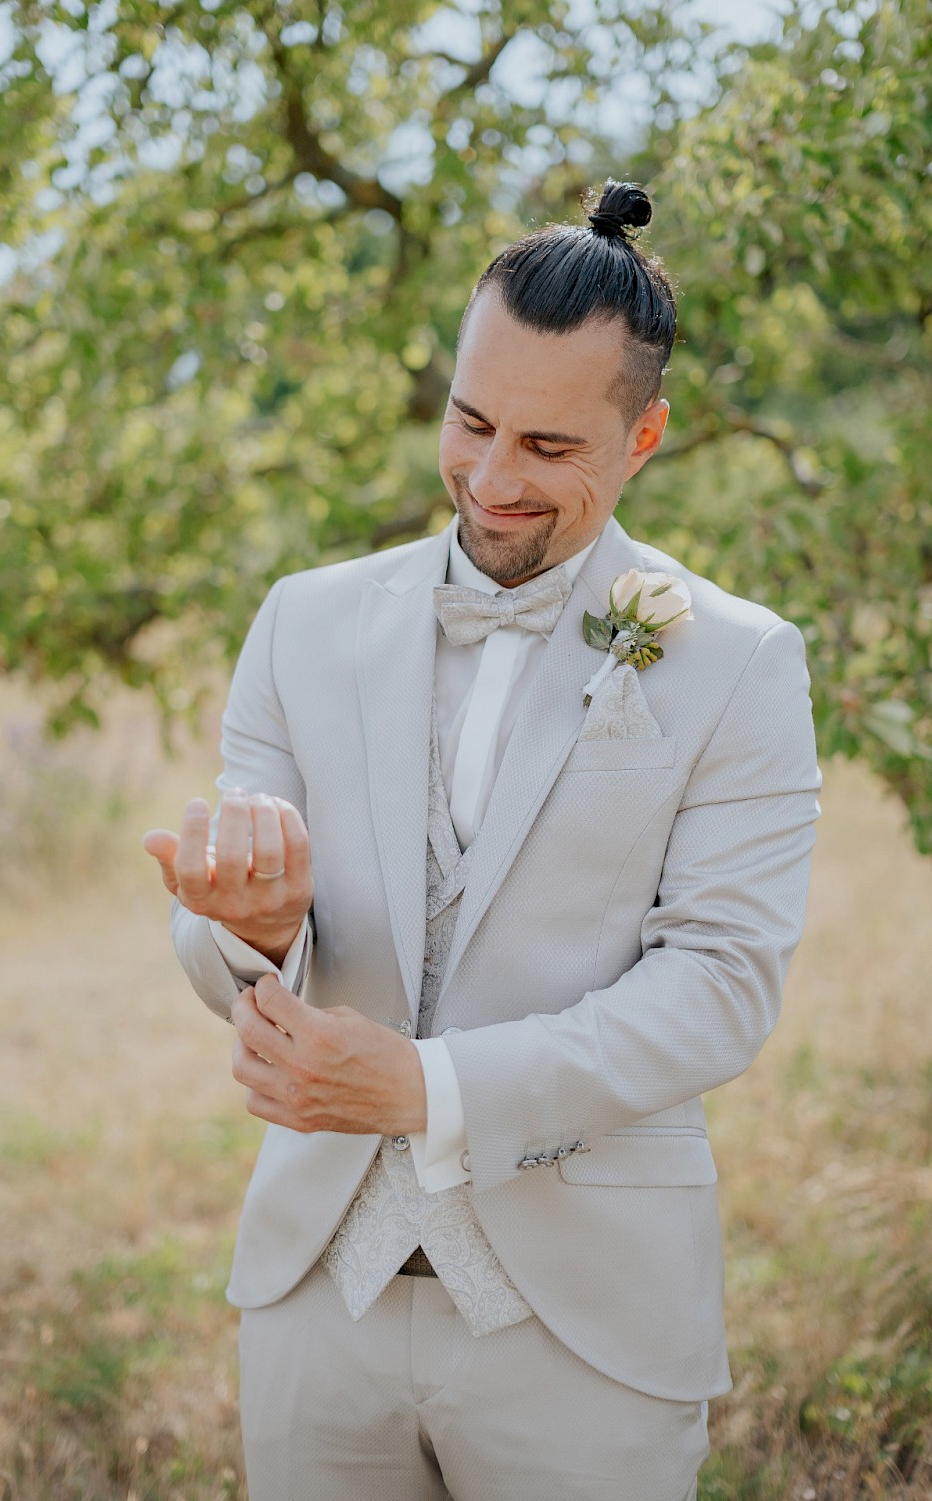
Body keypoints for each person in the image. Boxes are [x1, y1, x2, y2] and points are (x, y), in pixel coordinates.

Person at [144, 180, 821, 1501]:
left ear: (646, 436)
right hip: (312, 1300)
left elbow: (724, 987)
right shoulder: (303, 620)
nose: (494, 480)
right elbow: (223, 953)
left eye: (552, 447)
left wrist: (431, 1092)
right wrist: (248, 927)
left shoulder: (737, 660)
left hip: (589, 1321)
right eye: (471, 422)